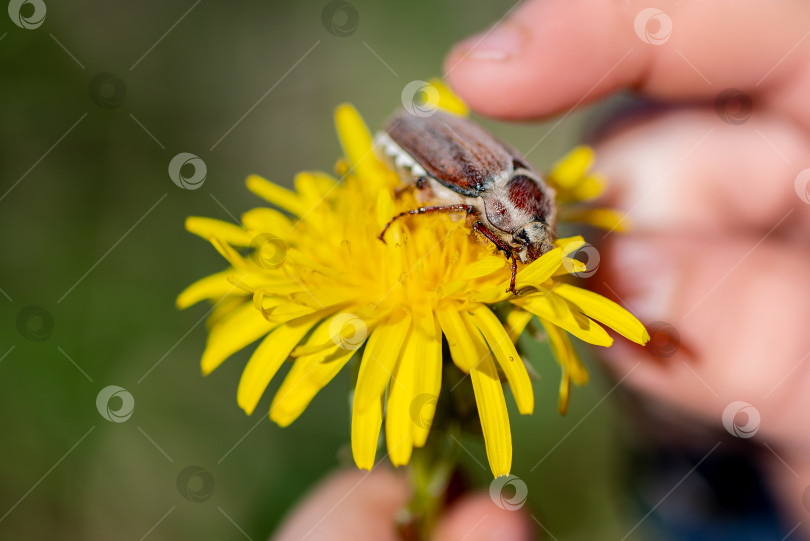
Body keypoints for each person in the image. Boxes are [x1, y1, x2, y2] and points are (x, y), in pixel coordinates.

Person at [273, 1, 810, 539]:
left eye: (534, 238)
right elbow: (456, 206)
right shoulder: (475, 194)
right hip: (416, 142)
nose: (529, 249)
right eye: (522, 239)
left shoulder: (529, 203)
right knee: (438, 209)